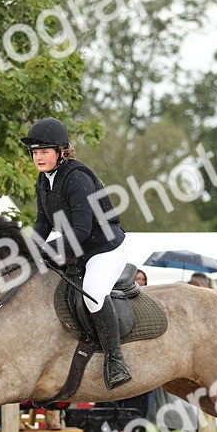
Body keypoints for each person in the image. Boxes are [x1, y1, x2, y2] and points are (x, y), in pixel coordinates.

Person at [25, 117, 131, 389]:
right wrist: (29, 249)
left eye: (44, 151)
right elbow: (43, 222)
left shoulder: (77, 178)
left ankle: (115, 360)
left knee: (93, 294)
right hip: (79, 249)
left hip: (105, 248)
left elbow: (82, 230)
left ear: (61, 152)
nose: (38, 157)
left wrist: (49, 250)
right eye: (35, 152)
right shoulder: (44, 180)